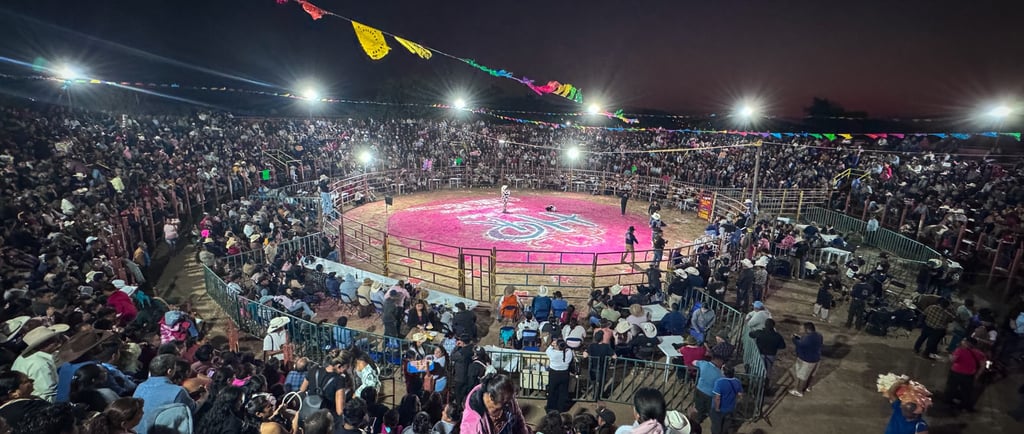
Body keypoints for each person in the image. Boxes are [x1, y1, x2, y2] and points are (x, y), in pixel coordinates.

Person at [132, 354, 196, 434]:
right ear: (169, 371)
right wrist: (204, 397)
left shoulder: (141, 386)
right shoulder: (178, 391)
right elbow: (192, 409)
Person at [11, 323, 68, 403]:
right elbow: (48, 394)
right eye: (53, 341)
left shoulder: (23, 358)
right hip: (41, 404)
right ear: (43, 345)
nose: (58, 343)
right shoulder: (41, 364)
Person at [460, 373, 529, 434]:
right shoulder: (473, 425)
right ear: (491, 398)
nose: (509, 405)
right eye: (505, 403)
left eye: (511, 399)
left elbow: (519, 421)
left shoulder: (507, 398)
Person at [945, 337, 985, 412]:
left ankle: (948, 402)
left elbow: (952, 360)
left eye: (964, 341)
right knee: (966, 391)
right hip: (969, 375)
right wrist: (977, 375)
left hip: (956, 373)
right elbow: (982, 366)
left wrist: (950, 355)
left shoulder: (960, 350)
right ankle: (964, 406)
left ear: (967, 343)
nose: (962, 341)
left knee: (951, 388)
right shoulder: (980, 353)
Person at [788, 322, 823, 398]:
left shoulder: (808, 338)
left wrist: (793, 339)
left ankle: (799, 391)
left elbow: (800, 344)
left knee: (801, 376)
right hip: (816, 359)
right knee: (811, 374)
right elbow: (806, 343)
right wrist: (799, 337)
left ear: (807, 329)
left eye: (802, 329)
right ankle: (807, 387)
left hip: (807, 360)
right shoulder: (819, 335)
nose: (801, 330)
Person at [749, 319, 785, 388]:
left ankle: (756, 386)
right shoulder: (777, 336)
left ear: (765, 325)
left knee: (758, 370)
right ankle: (766, 386)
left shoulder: (760, 333)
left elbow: (750, 334)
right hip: (771, 355)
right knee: (768, 371)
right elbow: (782, 346)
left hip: (760, 355)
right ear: (773, 326)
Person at [711, 366, 743, 434]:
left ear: (723, 372)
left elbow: (717, 398)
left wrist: (717, 408)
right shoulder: (737, 382)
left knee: (716, 426)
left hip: (720, 409)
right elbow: (740, 396)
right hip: (730, 409)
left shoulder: (719, 382)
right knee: (726, 426)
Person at [692, 356, 724, 424]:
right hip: (710, 394)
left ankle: (697, 419)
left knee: (698, 406)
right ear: (718, 362)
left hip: (699, 389)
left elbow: (694, 362)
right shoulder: (719, 373)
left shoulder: (704, 364)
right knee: (708, 408)